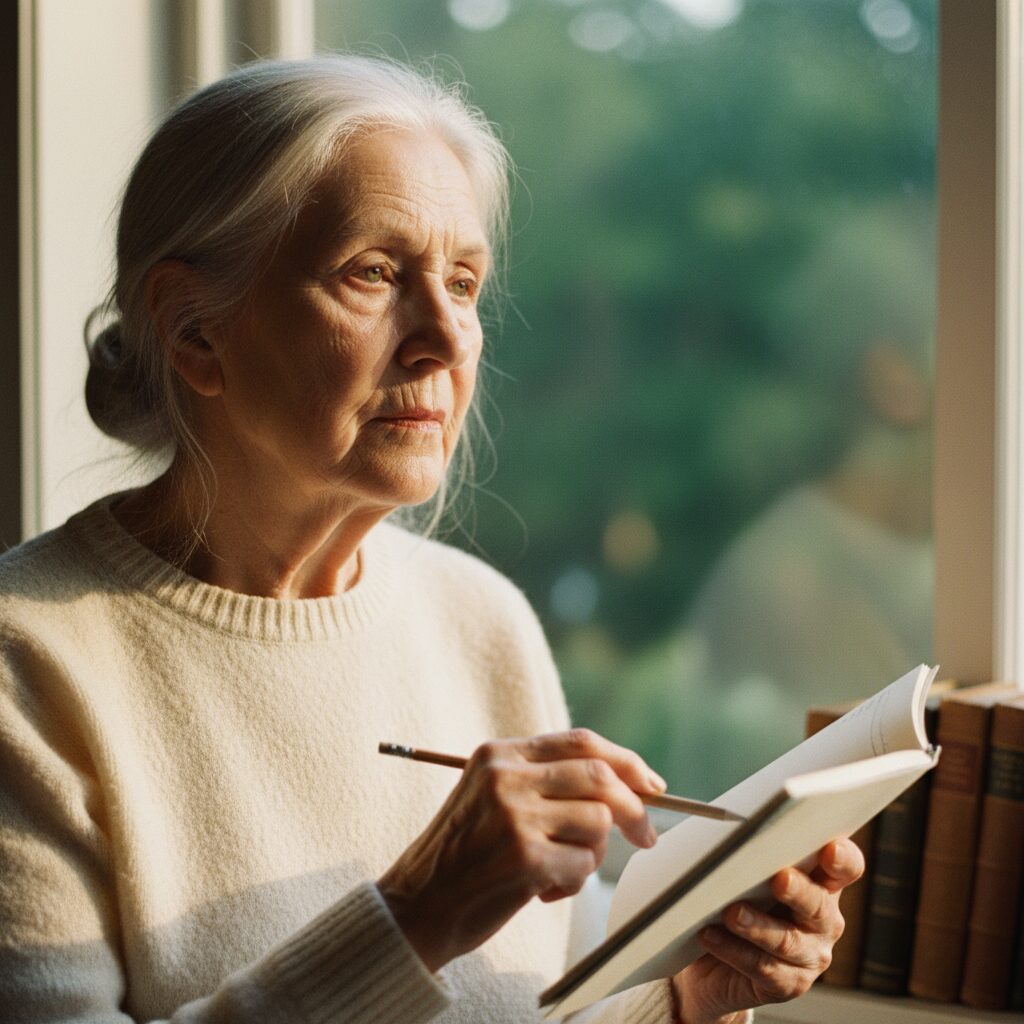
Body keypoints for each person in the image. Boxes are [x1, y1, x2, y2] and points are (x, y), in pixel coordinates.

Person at [0, 56, 861, 1024]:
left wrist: (687, 998)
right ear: (195, 330)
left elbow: (543, 1010)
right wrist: (416, 915)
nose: (447, 339)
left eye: (463, 281)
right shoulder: (24, 663)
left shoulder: (477, 616)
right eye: (372, 272)